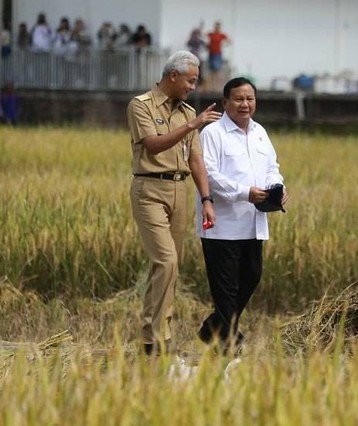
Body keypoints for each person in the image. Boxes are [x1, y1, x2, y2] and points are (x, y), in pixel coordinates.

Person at [126, 50, 221, 355]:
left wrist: (206, 199)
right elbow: (153, 146)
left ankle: (158, 335)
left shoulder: (188, 112)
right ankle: (154, 338)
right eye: (190, 81)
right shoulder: (140, 105)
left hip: (180, 190)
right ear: (173, 76)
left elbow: (195, 159)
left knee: (171, 267)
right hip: (150, 189)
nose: (193, 86)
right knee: (164, 261)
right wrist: (193, 126)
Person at [196, 77, 287, 353]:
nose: (244, 104)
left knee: (252, 275)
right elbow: (209, 174)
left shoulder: (260, 132)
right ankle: (228, 344)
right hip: (221, 224)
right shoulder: (212, 134)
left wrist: (277, 187)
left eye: (249, 99)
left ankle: (211, 328)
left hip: (253, 222)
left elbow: (272, 166)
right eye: (238, 99)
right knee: (226, 289)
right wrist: (243, 192)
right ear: (225, 103)